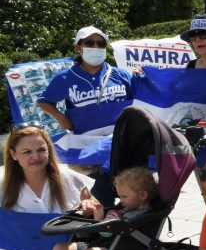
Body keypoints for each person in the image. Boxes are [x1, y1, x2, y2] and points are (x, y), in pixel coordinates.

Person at [2, 126, 96, 250]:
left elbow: (95, 206)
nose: (36, 156)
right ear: (13, 154)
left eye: (41, 150)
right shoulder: (4, 186)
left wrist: (89, 205)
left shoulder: (68, 178)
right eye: (27, 152)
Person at [21, 166, 156, 250]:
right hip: (105, 243)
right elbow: (105, 233)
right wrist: (99, 218)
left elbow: (109, 233)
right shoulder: (124, 209)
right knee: (60, 248)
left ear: (143, 195)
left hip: (122, 248)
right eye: (119, 196)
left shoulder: (144, 216)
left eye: (124, 197)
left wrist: (111, 224)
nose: (121, 201)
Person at [37, 25, 134, 206]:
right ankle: (104, 230)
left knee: (131, 195)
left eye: (101, 43)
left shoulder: (120, 75)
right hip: (90, 149)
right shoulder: (65, 78)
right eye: (90, 42)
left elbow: (139, 102)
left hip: (122, 145)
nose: (96, 47)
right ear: (78, 47)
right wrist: (62, 119)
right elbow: (44, 101)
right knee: (100, 199)